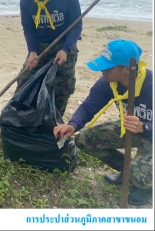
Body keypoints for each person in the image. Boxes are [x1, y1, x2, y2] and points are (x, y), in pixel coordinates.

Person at [53, 39, 153, 207]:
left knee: (142, 176)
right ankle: (127, 172)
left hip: (150, 132)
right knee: (85, 139)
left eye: (109, 67)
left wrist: (146, 127)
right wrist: (73, 124)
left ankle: (145, 185)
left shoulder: (151, 85)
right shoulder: (108, 83)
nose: (102, 71)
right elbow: (88, 106)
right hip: (129, 128)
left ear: (127, 69)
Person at [16, 0, 82, 117]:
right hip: (39, 47)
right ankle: (23, 119)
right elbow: (29, 29)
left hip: (64, 45)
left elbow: (76, 27)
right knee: (24, 82)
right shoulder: (25, 1)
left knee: (61, 87)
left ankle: (54, 123)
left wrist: (65, 50)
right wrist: (32, 51)